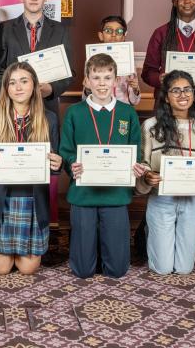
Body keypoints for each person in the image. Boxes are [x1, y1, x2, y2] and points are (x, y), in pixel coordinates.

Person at [59, 53, 144, 278]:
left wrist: (138, 166)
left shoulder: (127, 113)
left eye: (107, 78)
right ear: (86, 81)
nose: (102, 84)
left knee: (117, 270)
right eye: (96, 78)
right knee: (83, 271)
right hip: (84, 194)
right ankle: (89, 254)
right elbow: (66, 150)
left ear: (116, 81)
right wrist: (71, 165)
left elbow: (137, 150)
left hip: (116, 194)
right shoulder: (74, 113)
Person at [0, 62, 62, 275]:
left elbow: (55, 165)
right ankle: (7, 251)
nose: (18, 87)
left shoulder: (49, 119)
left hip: (32, 200)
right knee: (1, 269)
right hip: (1, 199)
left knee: (28, 269)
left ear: (34, 85)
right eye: (12, 83)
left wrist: (57, 164)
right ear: (6, 88)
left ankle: (19, 252)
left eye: (24, 81)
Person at [136, 70, 195, 274]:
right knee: (163, 268)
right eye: (176, 90)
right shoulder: (150, 126)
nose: (182, 95)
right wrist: (148, 177)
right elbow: (143, 164)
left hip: (191, 202)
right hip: (161, 200)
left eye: (187, 90)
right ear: (166, 97)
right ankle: (153, 233)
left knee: (184, 269)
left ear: (194, 94)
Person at [0, 0, 73, 119]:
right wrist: (13, 90)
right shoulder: (4, 29)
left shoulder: (60, 30)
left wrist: (51, 89)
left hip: (46, 109)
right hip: (11, 109)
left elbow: (69, 72)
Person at [83, 15, 141, 106]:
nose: (114, 34)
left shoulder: (129, 60)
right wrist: (87, 89)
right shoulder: (91, 59)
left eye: (119, 31)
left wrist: (135, 89)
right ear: (101, 35)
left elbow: (135, 101)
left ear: (123, 36)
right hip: (97, 109)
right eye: (108, 31)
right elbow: (85, 99)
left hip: (122, 109)